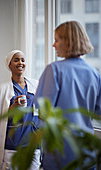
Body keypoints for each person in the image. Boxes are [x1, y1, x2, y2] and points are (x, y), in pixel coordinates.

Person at [34, 21, 101, 170]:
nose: (54, 45)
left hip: (60, 152)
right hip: (86, 154)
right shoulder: (94, 74)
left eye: (57, 40)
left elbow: (42, 108)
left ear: (68, 41)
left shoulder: (54, 70)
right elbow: (98, 112)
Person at [0, 50, 41, 170]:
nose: (20, 63)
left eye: (22, 60)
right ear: (9, 65)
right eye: (16, 60)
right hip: (12, 147)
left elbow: (40, 112)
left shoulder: (35, 85)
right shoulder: (2, 89)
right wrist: (12, 108)